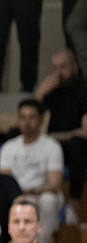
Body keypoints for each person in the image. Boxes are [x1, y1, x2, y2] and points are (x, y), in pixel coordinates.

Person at [0, 99, 64, 243]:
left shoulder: (52, 147)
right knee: (7, 200)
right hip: (17, 196)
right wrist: (20, 193)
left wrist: (29, 191)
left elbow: (54, 184)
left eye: (32, 117)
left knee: (49, 200)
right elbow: (6, 181)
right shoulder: (9, 147)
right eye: (23, 117)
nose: (27, 122)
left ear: (41, 119)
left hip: (41, 196)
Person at [34, 49, 87, 218]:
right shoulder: (54, 88)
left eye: (63, 67)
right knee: (16, 135)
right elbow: (30, 116)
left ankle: (73, 204)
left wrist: (58, 137)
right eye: (54, 68)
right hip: (53, 141)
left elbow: (85, 131)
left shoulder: (84, 89)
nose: (58, 73)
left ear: (74, 67)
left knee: (78, 145)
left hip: (74, 144)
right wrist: (40, 93)